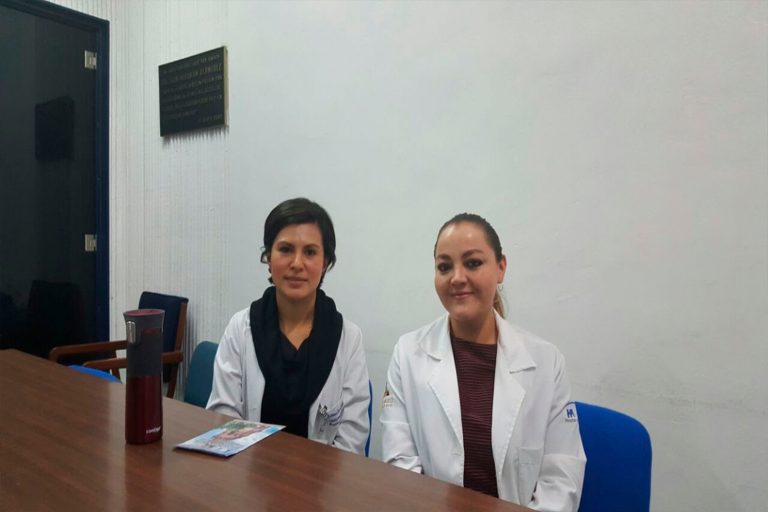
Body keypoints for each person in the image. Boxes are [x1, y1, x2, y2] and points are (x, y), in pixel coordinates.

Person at [381, 213, 585, 511]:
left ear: (501, 268)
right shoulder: (407, 353)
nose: (457, 277)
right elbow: (400, 465)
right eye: (444, 267)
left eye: (473, 263)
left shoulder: (546, 362)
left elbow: (561, 480)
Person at [207, 198, 370, 454]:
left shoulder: (348, 337)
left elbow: (352, 441)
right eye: (285, 249)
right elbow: (223, 421)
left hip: (322, 477)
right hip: (248, 472)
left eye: (310, 252)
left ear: (325, 262)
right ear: (268, 257)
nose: (297, 263)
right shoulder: (241, 328)